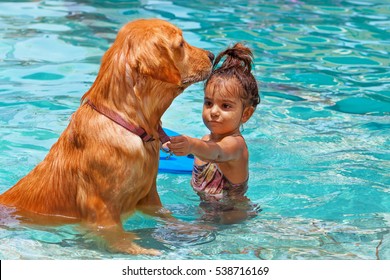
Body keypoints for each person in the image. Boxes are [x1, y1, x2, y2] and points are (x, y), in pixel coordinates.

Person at [166, 43, 260, 224]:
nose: (214, 111)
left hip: (231, 217)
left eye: (225, 106)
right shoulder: (204, 141)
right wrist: (167, 144)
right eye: (209, 103)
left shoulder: (235, 145)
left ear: (246, 114)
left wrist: (191, 145)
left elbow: (216, 152)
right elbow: (204, 147)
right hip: (206, 212)